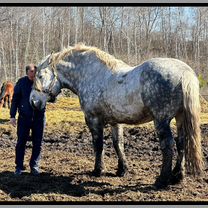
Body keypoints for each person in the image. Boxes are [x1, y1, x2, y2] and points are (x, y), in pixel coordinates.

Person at [10, 64, 45, 176]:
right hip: (24, 118)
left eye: (35, 71)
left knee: (38, 143)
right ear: (27, 72)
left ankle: (34, 166)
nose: (34, 73)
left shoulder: (41, 83)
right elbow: (15, 100)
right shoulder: (21, 83)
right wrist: (12, 116)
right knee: (21, 142)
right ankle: (19, 167)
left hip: (39, 119)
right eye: (31, 71)